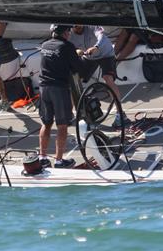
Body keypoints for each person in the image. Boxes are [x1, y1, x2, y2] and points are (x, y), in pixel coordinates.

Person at [38, 25, 88, 168]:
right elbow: (79, 68)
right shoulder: (67, 46)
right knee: (62, 125)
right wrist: (79, 56)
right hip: (58, 89)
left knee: (46, 123)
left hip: (43, 88)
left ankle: (42, 157)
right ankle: (59, 160)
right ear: (65, 33)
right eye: (69, 31)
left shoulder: (45, 44)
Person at [69, 24, 128, 127]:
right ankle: (70, 115)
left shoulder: (91, 25)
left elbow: (101, 36)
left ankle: (121, 114)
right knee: (75, 81)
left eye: (79, 25)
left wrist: (96, 47)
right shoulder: (69, 33)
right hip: (89, 57)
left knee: (108, 79)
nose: (78, 27)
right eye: (75, 27)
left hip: (106, 54)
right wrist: (75, 51)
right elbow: (67, 46)